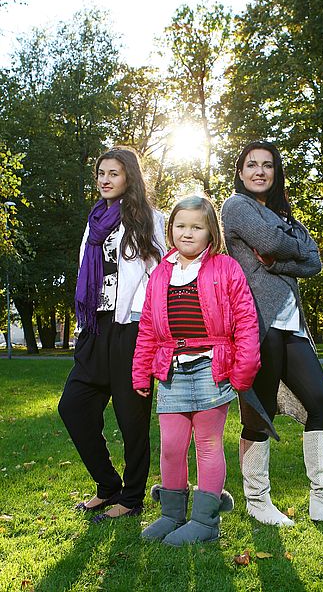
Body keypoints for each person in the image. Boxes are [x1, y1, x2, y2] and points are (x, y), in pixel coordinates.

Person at [221, 140, 323, 526]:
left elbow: (314, 260)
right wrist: (288, 249)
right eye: (251, 165)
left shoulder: (283, 213)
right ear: (240, 172)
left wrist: (274, 260)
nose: (259, 171)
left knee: (322, 399)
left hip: (293, 326)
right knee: (260, 409)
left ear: (275, 172)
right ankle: (257, 499)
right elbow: (272, 242)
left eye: (267, 165)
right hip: (260, 323)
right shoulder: (236, 207)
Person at [132, 195, 260, 546]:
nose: (187, 233)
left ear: (211, 233)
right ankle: (171, 514)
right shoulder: (160, 273)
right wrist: (141, 373)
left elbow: (247, 321)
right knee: (171, 446)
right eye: (180, 225)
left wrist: (244, 370)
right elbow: (148, 328)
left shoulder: (226, 268)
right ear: (170, 229)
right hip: (170, 369)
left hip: (212, 367)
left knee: (207, 444)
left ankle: (205, 521)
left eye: (196, 226)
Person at [58, 146, 166, 523]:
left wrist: (138, 320)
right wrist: (82, 326)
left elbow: (158, 276)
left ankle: (132, 497)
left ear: (129, 177)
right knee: (72, 407)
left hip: (130, 331)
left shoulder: (149, 218)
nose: (105, 179)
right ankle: (108, 486)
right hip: (94, 329)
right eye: (101, 172)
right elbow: (86, 274)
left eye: (113, 173)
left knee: (132, 420)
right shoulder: (94, 220)